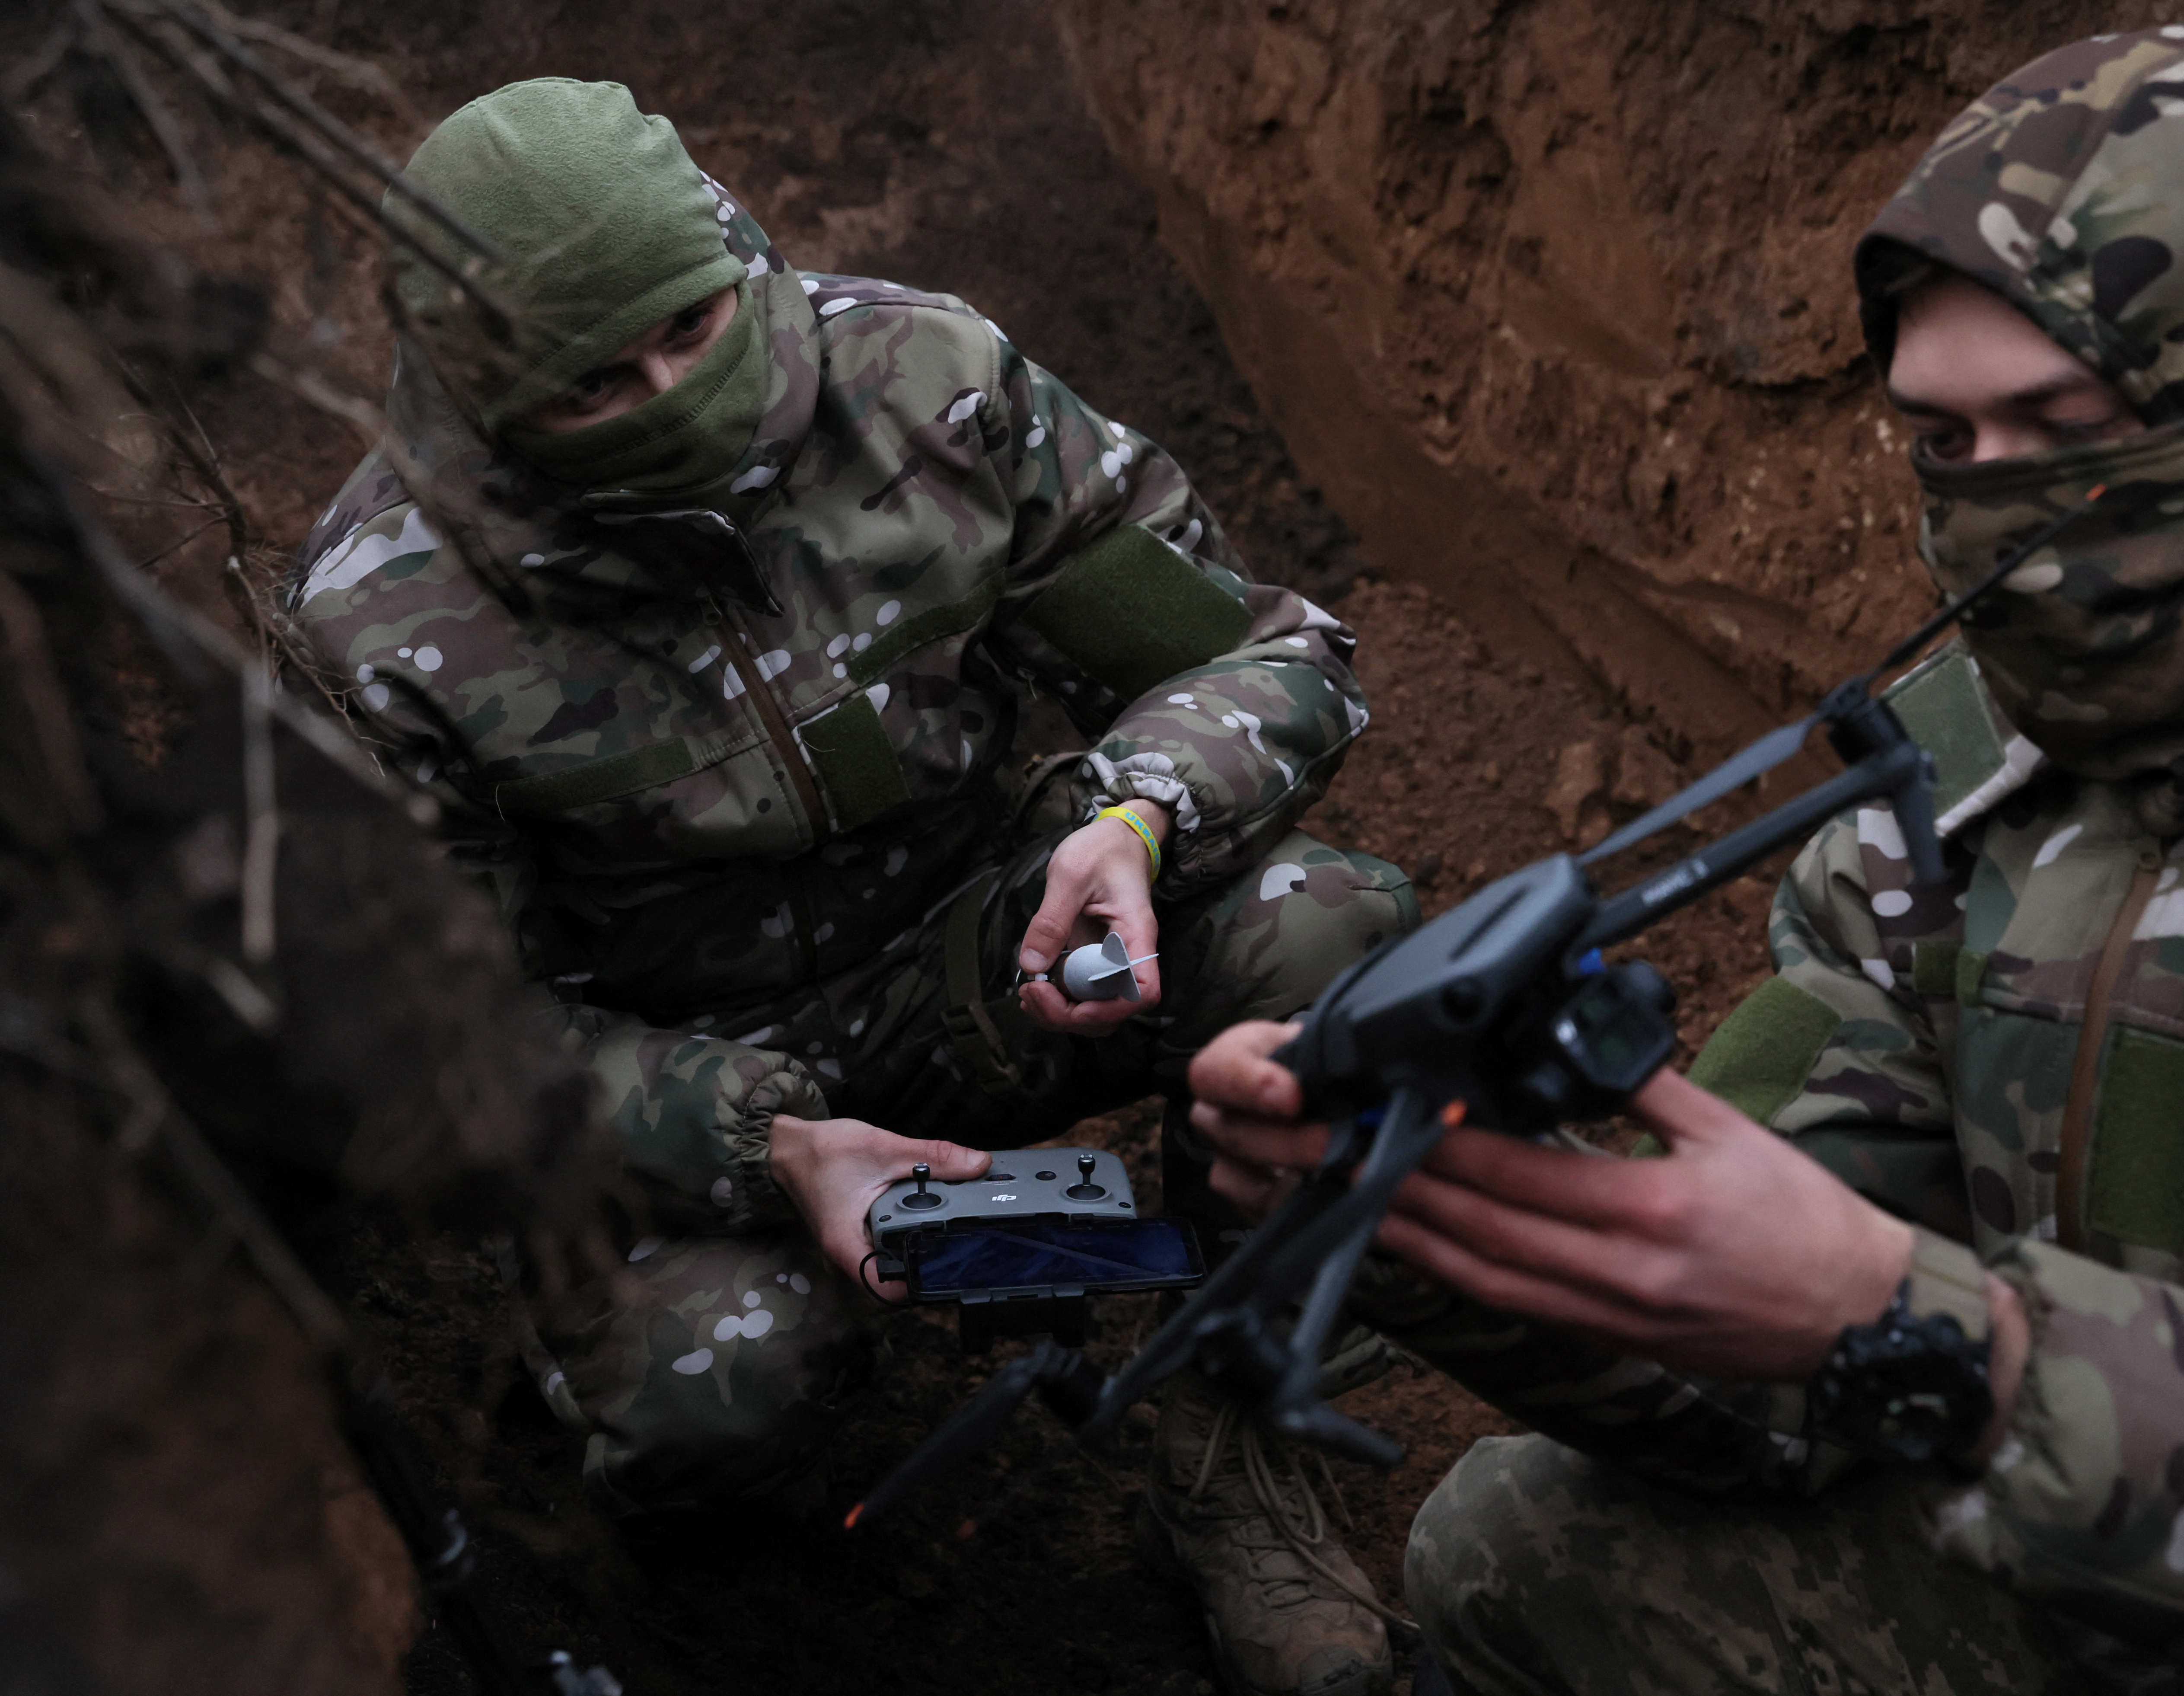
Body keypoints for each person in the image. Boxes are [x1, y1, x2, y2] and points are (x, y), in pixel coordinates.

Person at [1188, 25, 2184, 1694]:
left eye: (2059, 426)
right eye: (1943, 442)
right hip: (2106, 1557)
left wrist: (1963, 1345)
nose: (1992, 513)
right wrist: (1450, 1223)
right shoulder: (1966, 765)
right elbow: (1774, 1370)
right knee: (1523, 1546)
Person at [284, 79, 1412, 1696]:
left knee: (1328, 925)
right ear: (483, 392)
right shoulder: (381, 625)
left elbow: (1262, 652)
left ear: (728, 248)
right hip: (676, 1080)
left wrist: (1133, 815)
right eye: (595, 384)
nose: (675, 396)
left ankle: (1235, 1445)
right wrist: (767, 1142)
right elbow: (434, 1047)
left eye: (691, 328)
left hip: (992, 954)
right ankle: (722, 1560)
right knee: (713, 1393)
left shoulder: (928, 382)